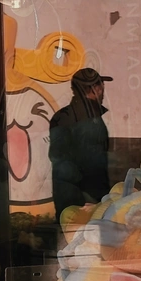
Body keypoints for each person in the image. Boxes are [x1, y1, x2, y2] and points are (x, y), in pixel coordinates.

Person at [49, 68, 112, 222]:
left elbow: (59, 159)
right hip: (86, 203)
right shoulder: (89, 120)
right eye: (101, 85)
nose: (103, 90)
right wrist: (94, 200)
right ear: (95, 89)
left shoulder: (61, 116)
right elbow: (94, 166)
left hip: (67, 200)